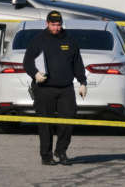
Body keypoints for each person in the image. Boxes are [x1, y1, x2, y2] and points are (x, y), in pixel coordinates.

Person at [23, 11, 87, 166]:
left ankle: (61, 151)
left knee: (68, 120)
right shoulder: (38, 40)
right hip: (44, 88)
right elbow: (27, 62)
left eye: (58, 25)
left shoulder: (69, 40)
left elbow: (77, 63)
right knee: (45, 124)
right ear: (47, 23)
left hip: (65, 88)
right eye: (53, 25)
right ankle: (46, 155)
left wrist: (82, 82)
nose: (56, 28)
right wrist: (35, 74)